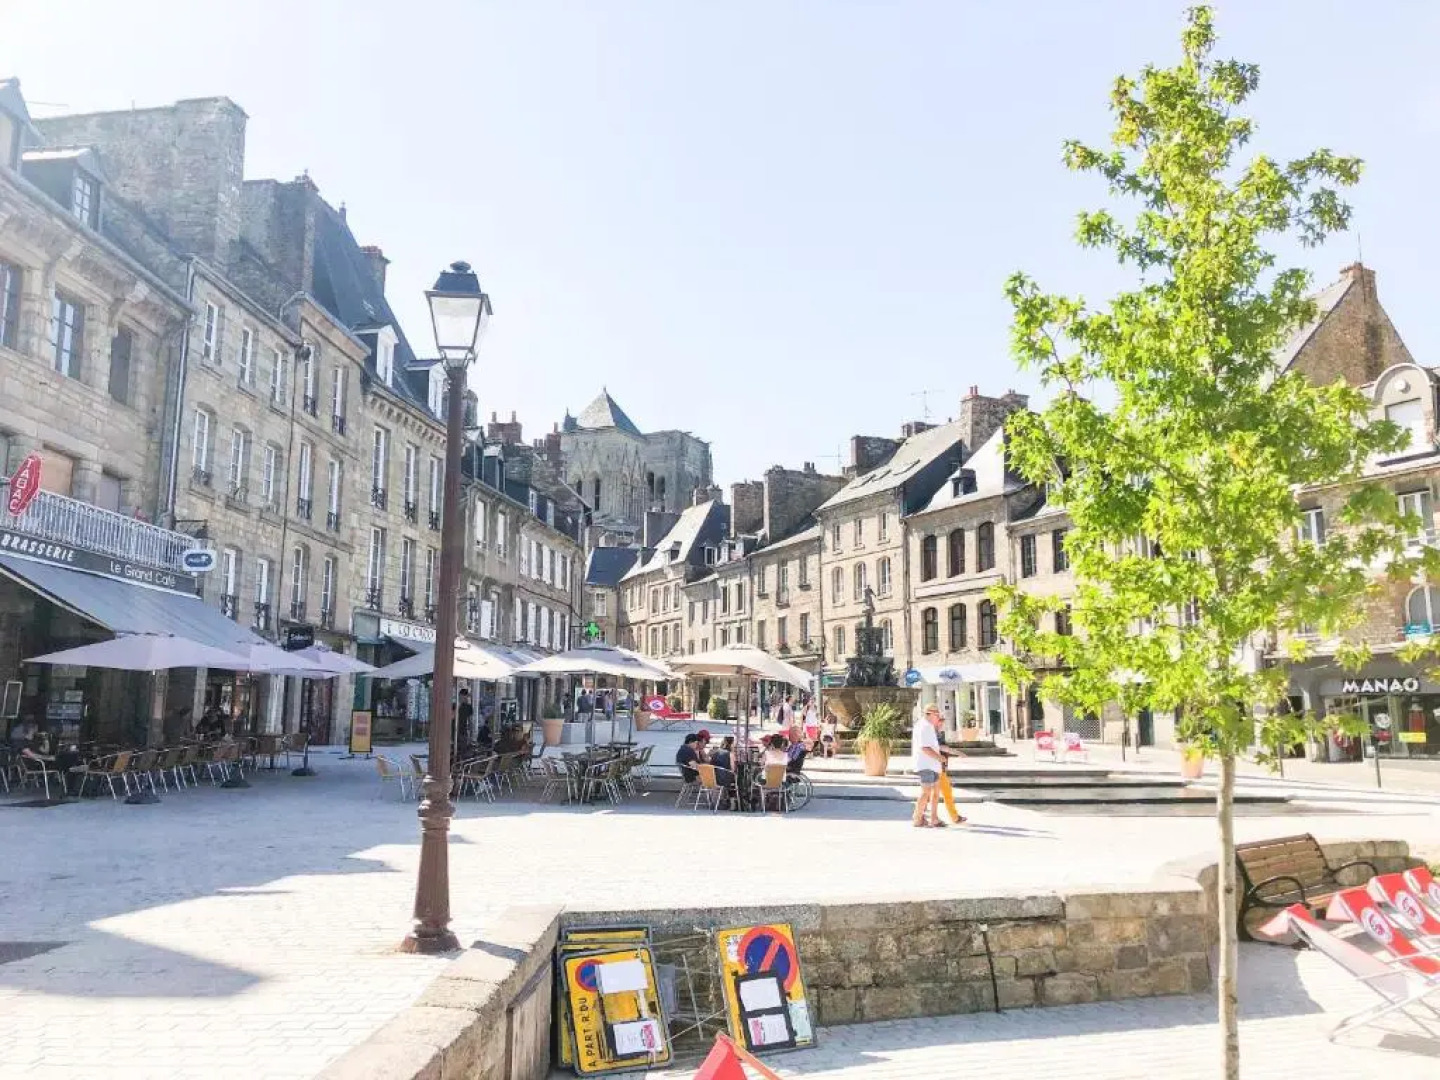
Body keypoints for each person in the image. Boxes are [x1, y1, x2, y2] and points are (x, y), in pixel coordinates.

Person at [911, 704, 947, 828]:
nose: (938, 717)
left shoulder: (927, 726)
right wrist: (940, 758)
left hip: (931, 764)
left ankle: (933, 819)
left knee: (933, 793)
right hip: (926, 764)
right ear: (930, 714)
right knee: (925, 793)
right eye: (937, 715)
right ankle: (917, 818)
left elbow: (932, 746)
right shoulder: (924, 727)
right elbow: (925, 748)